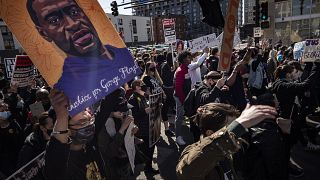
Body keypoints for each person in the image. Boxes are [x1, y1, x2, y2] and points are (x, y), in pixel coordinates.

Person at [26, 0, 140, 115]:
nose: (72, 24)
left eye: (74, 11)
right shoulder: (66, 92)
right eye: (55, 20)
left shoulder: (124, 56)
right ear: (43, 33)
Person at [176, 103, 277, 180]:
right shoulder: (192, 152)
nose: (236, 133)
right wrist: (237, 126)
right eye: (230, 127)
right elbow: (186, 173)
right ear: (210, 133)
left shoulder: (231, 147)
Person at [43, 88, 122, 180]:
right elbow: (53, 171)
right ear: (66, 130)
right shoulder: (63, 162)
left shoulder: (90, 142)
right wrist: (62, 116)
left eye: (90, 119)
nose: (90, 125)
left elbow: (107, 104)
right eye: (82, 122)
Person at [98, 95, 138, 179]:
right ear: (110, 110)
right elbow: (109, 152)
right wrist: (122, 128)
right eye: (121, 111)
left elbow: (125, 136)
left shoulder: (118, 116)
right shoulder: (101, 125)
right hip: (112, 168)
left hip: (124, 160)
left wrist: (132, 130)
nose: (124, 113)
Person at [128, 79, 159, 174]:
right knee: (145, 150)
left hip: (148, 127)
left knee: (150, 149)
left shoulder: (143, 96)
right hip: (141, 130)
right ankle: (146, 168)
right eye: (142, 85)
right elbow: (132, 115)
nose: (145, 87)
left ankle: (148, 167)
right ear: (137, 87)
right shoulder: (133, 99)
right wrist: (144, 112)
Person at [0, 101, 24, 178]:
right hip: (4, 162)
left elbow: (21, 137)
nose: (6, 112)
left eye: (7, 110)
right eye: (2, 111)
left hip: (18, 156)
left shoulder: (13, 123)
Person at [174, 51, 192, 146]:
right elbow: (178, 88)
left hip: (186, 96)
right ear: (183, 60)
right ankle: (178, 137)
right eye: (188, 57)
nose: (190, 59)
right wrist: (184, 101)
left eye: (190, 57)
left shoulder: (188, 68)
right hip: (181, 98)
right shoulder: (181, 71)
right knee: (179, 117)